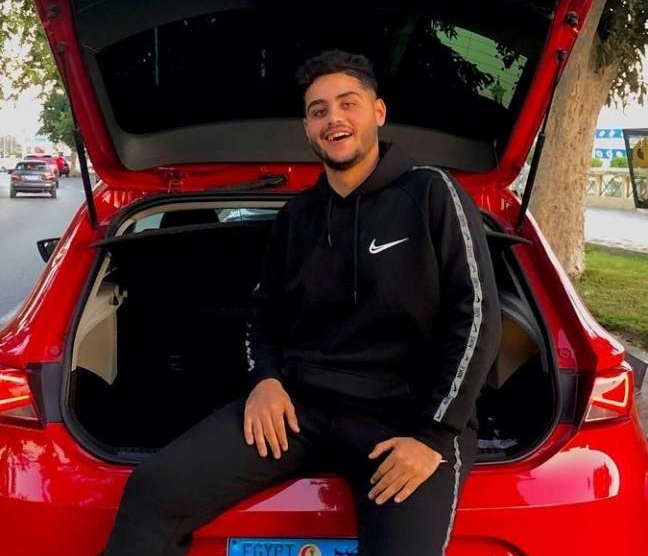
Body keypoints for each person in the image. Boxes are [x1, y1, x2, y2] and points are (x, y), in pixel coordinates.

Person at [102, 49, 502, 556]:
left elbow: (477, 317)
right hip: (301, 411)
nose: (334, 118)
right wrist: (265, 380)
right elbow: (263, 316)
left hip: (405, 421)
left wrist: (433, 436)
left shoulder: (432, 194)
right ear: (308, 129)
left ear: (378, 112)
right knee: (153, 490)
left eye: (348, 103)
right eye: (318, 111)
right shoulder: (297, 217)